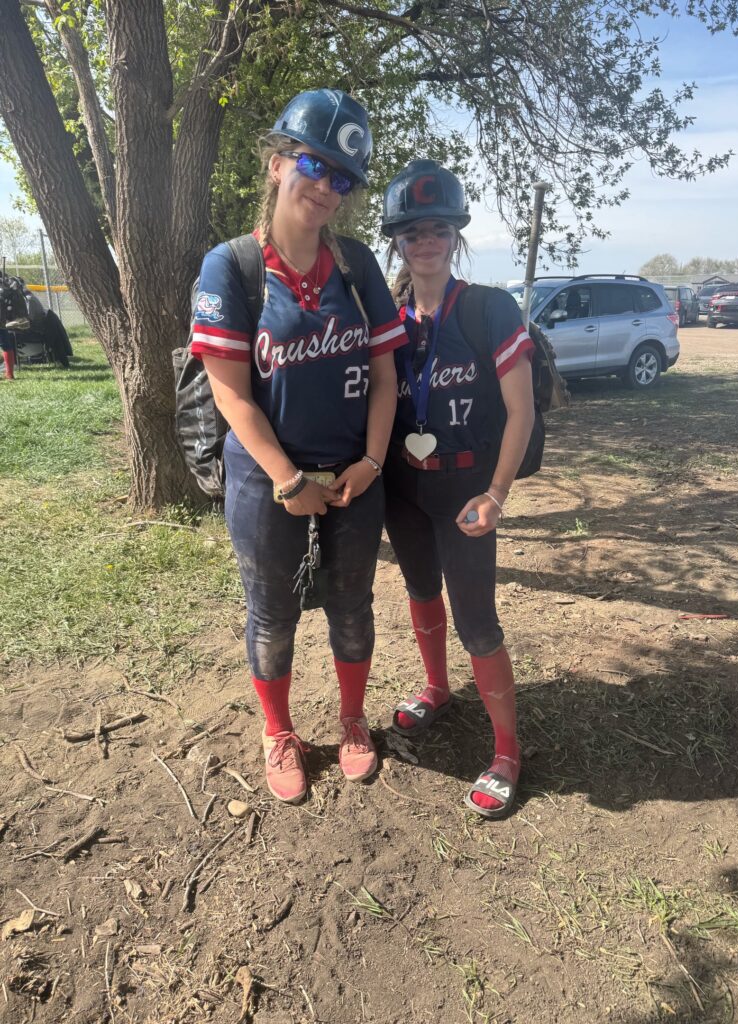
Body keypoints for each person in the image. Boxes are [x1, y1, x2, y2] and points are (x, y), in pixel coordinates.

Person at [190, 89, 407, 805]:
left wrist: (370, 462)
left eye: (342, 178)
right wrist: (288, 480)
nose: (326, 187)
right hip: (267, 479)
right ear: (278, 163)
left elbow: (385, 377)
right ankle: (278, 732)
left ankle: (352, 720)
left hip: (353, 475)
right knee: (272, 613)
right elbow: (231, 395)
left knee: (352, 605)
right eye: (315, 164)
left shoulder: (357, 265)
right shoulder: (232, 267)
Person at [381, 159, 535, 819]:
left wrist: (497, 493)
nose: (426, 242)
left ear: (456, 235)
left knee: (477, 620)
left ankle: (507, 752)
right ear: (398, 241)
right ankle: (437, 688)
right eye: (413, 232)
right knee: (420, 591)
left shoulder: (487, 308)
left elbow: (522, 412)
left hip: (469, 492)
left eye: (438, 229)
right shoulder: (388, 318)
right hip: (404, 490)